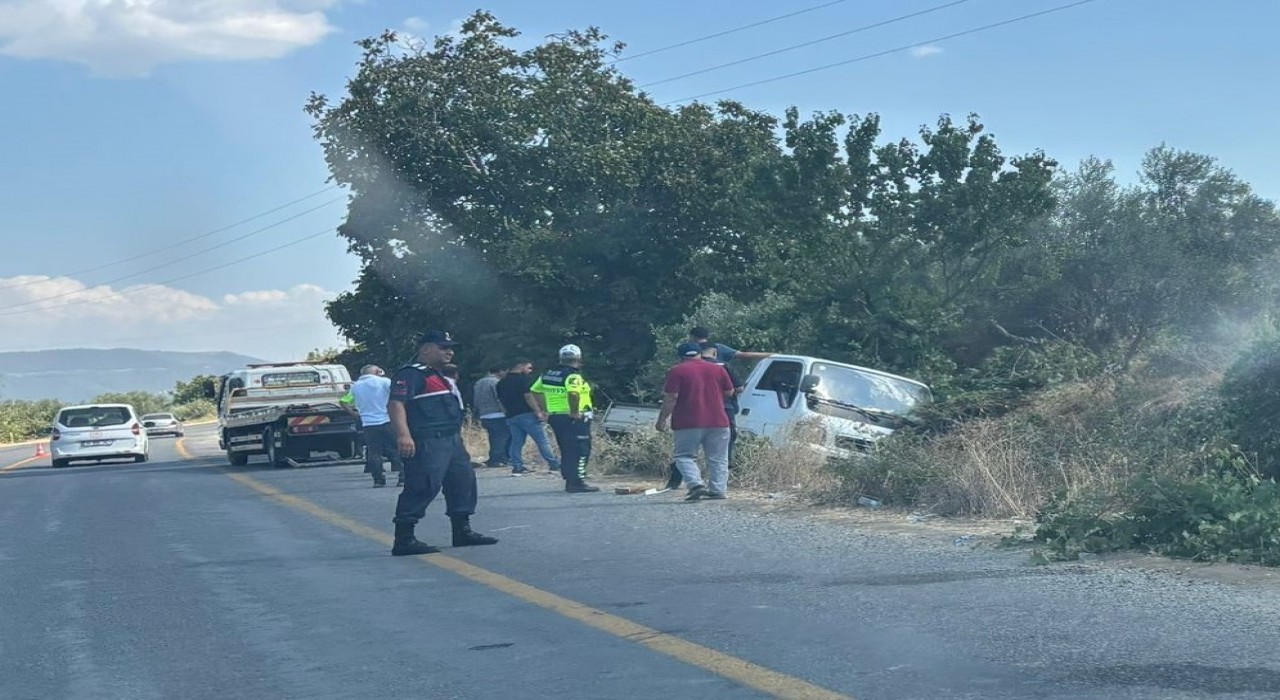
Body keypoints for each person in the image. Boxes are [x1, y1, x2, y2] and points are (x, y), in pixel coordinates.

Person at [388, 331, 498, 556]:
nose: (449, 351)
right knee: (423, 485)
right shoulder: (411, 374)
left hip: (451, 440)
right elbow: (396, 404)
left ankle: (462, 531)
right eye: (442, 347)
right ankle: (404, 538)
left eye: (450, 347)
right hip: (428, 440)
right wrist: (403, 435)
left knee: (462, 482)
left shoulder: (437, 375)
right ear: (426, 349)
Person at [656, 342, 735, 500]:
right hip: (719, 420)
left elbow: (671, 397)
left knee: (684, 456)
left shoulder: (677, 371)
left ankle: (696, 484)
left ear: (681, 356)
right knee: (718, 457)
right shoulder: (719, 369)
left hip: (687, 422)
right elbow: (730, 391)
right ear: (700, 353)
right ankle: (718, 490)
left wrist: (662, 420)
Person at [531, 345, 599, 493]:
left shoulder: (548, 374)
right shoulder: (573, 376)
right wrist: (574, 411)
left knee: (566, 449)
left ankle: (570, 479)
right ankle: (577, 481)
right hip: (574, 417)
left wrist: (545, 409)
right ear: (579, 358)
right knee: (581, 449)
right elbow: (574, 394)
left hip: (556, 416)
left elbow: (535, 390)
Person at [341, 364, 403, 488]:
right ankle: (403, 478)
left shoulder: (356, 386)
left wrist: (354, 414)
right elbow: (397, 395)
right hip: (387, 420)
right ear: (376, 371)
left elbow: (343, 401)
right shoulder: (384, 382)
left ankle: (378, 480)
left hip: (368, 424)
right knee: (398, 449)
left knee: (374, 452)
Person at [496, 359, 561, 475]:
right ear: (520, 366)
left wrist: (506, 413)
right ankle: (554, 464)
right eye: (529, 368)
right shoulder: (524, 380)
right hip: (527, 414)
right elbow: (528, 396)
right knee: (542, 440)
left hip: (511, 416)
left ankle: (517, 466)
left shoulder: (501, 383)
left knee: (516, 442)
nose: (530, 371)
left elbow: (500, 401)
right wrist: (538, 411)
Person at [472, 365, 509, 468]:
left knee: (493, 437)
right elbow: (498, 398)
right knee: (501, 437)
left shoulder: (479, 383)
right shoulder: (495, 382)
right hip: (497, 413)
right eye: (505, 371)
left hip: (484, 414)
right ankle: (497, 460)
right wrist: (506, 411)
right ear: (500, 371)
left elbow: (475, 400)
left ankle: (493, 458)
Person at [687, 326, 771, 364]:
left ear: (692, 336)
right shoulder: (719, 347)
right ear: (707, 336)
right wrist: (772, 355)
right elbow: (745, 355)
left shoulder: (688, 350)